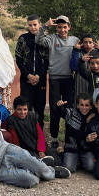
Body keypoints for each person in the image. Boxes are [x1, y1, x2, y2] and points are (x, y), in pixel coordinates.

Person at [36, 15, 79, 149]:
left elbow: (84, 50)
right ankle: (54, 137)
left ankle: (69, 138)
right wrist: (45, 26)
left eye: (65, 27)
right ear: (56, 28)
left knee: (69, 109)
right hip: (54, 78)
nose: (62, 30)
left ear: (69, 27)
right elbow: (38, 40)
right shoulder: (51, 39)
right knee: (54, 109)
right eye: (59, 27)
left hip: (69, 79)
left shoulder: (74, 40)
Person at [3, 96, 68, 173]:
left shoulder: (32, 116)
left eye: (25, 109)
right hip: (25, 149)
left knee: (56, 161)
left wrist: (41, 150)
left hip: (37, 145)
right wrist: (22, 153)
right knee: (32, 163)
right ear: (14, 109)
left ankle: (50, 165)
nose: (22, 112)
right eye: (19, 109)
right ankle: (52, 170)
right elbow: (15, 140)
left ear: (28, 108)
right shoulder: (12, 120)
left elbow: (40, 134)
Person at [15, 15, 49, 129]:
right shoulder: (23, 39)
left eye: (35, 24)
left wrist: (38, 76)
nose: (33, 27)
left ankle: (39, 134)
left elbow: (47, 60)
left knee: (40, 109)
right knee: (26, 108)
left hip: (41, 80)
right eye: (30, 25)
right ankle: (26, 132)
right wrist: (28, 75)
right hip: (26, 80)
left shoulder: (46, 40)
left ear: (40, 25)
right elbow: (19, 59)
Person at [58, 93, 96, 173]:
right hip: (71, 148)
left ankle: (80, 161)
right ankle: (64, 156)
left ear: (91, 106)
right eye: (81, 105)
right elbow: (63, 112)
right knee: (69, 168)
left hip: (86, 149)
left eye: (87, 105)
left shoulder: (93, 116)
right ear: (77, 105)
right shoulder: (71, 113)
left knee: (91, 166)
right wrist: (59, 106)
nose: (84, 108)